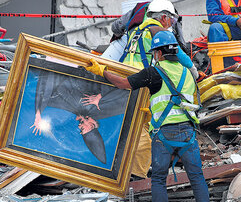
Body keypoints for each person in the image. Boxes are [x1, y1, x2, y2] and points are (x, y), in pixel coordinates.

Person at [85, 31, 210, 202]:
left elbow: (123, 83)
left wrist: (102, 71)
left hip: (164, 134)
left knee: (158, 179)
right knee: (196, 177)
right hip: (188, 132)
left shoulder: (153, 72)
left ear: (159, 53)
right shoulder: (187, 73)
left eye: (154, 53)